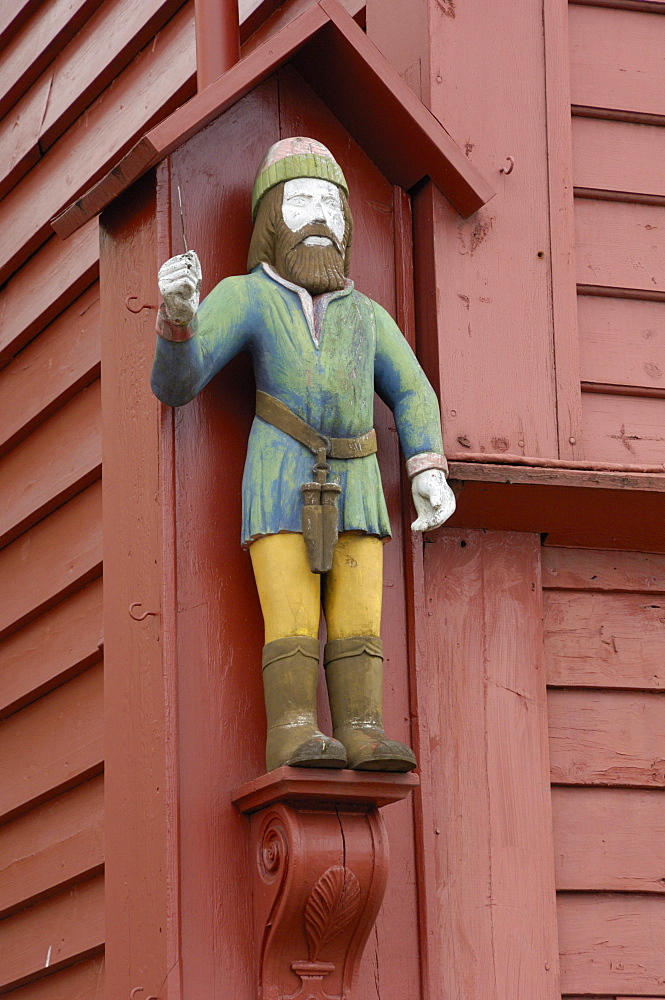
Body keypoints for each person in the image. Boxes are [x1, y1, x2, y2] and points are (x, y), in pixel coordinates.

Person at [152, 137, 456, 773]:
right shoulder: (250, 296)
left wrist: (427, 467)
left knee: (357, 608)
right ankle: (292, 729)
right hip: (281, 471)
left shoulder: (367, 315)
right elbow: (180, 384)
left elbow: (413, 391)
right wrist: (179, 321)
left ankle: (363, 729)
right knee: (289, 605)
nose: (319, 215)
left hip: (361, 476)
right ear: (270, 218)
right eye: (301, 201)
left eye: (330, 203)